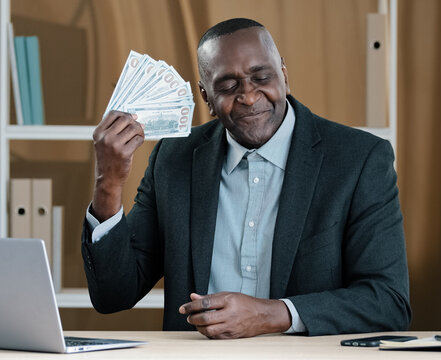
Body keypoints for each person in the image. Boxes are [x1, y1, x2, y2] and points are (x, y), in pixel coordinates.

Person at [81, 18, 411, 339]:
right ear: (206, 97)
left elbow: (387, 302)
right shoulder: (174, 159)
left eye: (261, 76)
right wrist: (108, 183)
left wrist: (271, 315)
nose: (249, 97)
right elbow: (114, 295)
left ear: (284, 74)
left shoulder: (360, 159)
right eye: (228, 85)